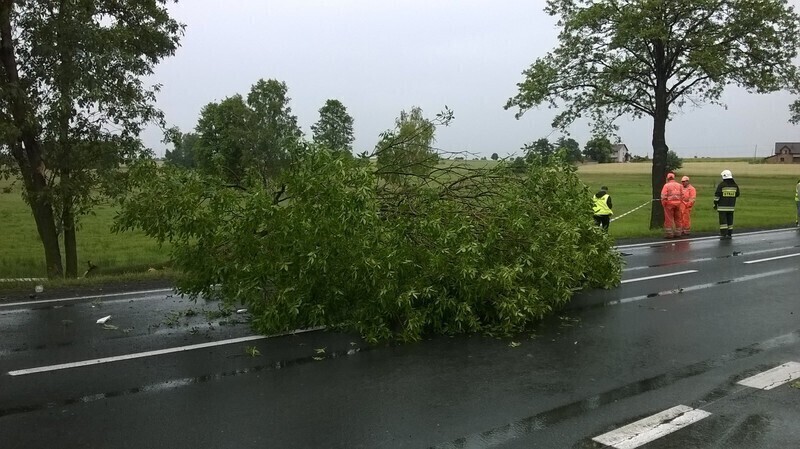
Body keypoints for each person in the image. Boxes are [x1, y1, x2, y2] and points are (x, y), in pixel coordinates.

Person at [714, 169, 740, 239]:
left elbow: (717, 195)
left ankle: (723, 233)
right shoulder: (735, 185)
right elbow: (737, 194)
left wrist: (715, 203)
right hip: (731, 207)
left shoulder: (722, 185)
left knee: (723, 221)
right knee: (730, 220)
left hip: (722, 207)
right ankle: (729, 233)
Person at [660, 172, 683, 238]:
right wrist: (680, 202)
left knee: (669, 219)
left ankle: (669, 234)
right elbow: (682, 195)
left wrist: (664, 203)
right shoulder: (679, 185)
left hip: (669, 204)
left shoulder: (666, 185)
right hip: (678, 204)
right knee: (678, 218)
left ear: (667, 178)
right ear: (674, 178)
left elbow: (663, 195)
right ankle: (678, 233)